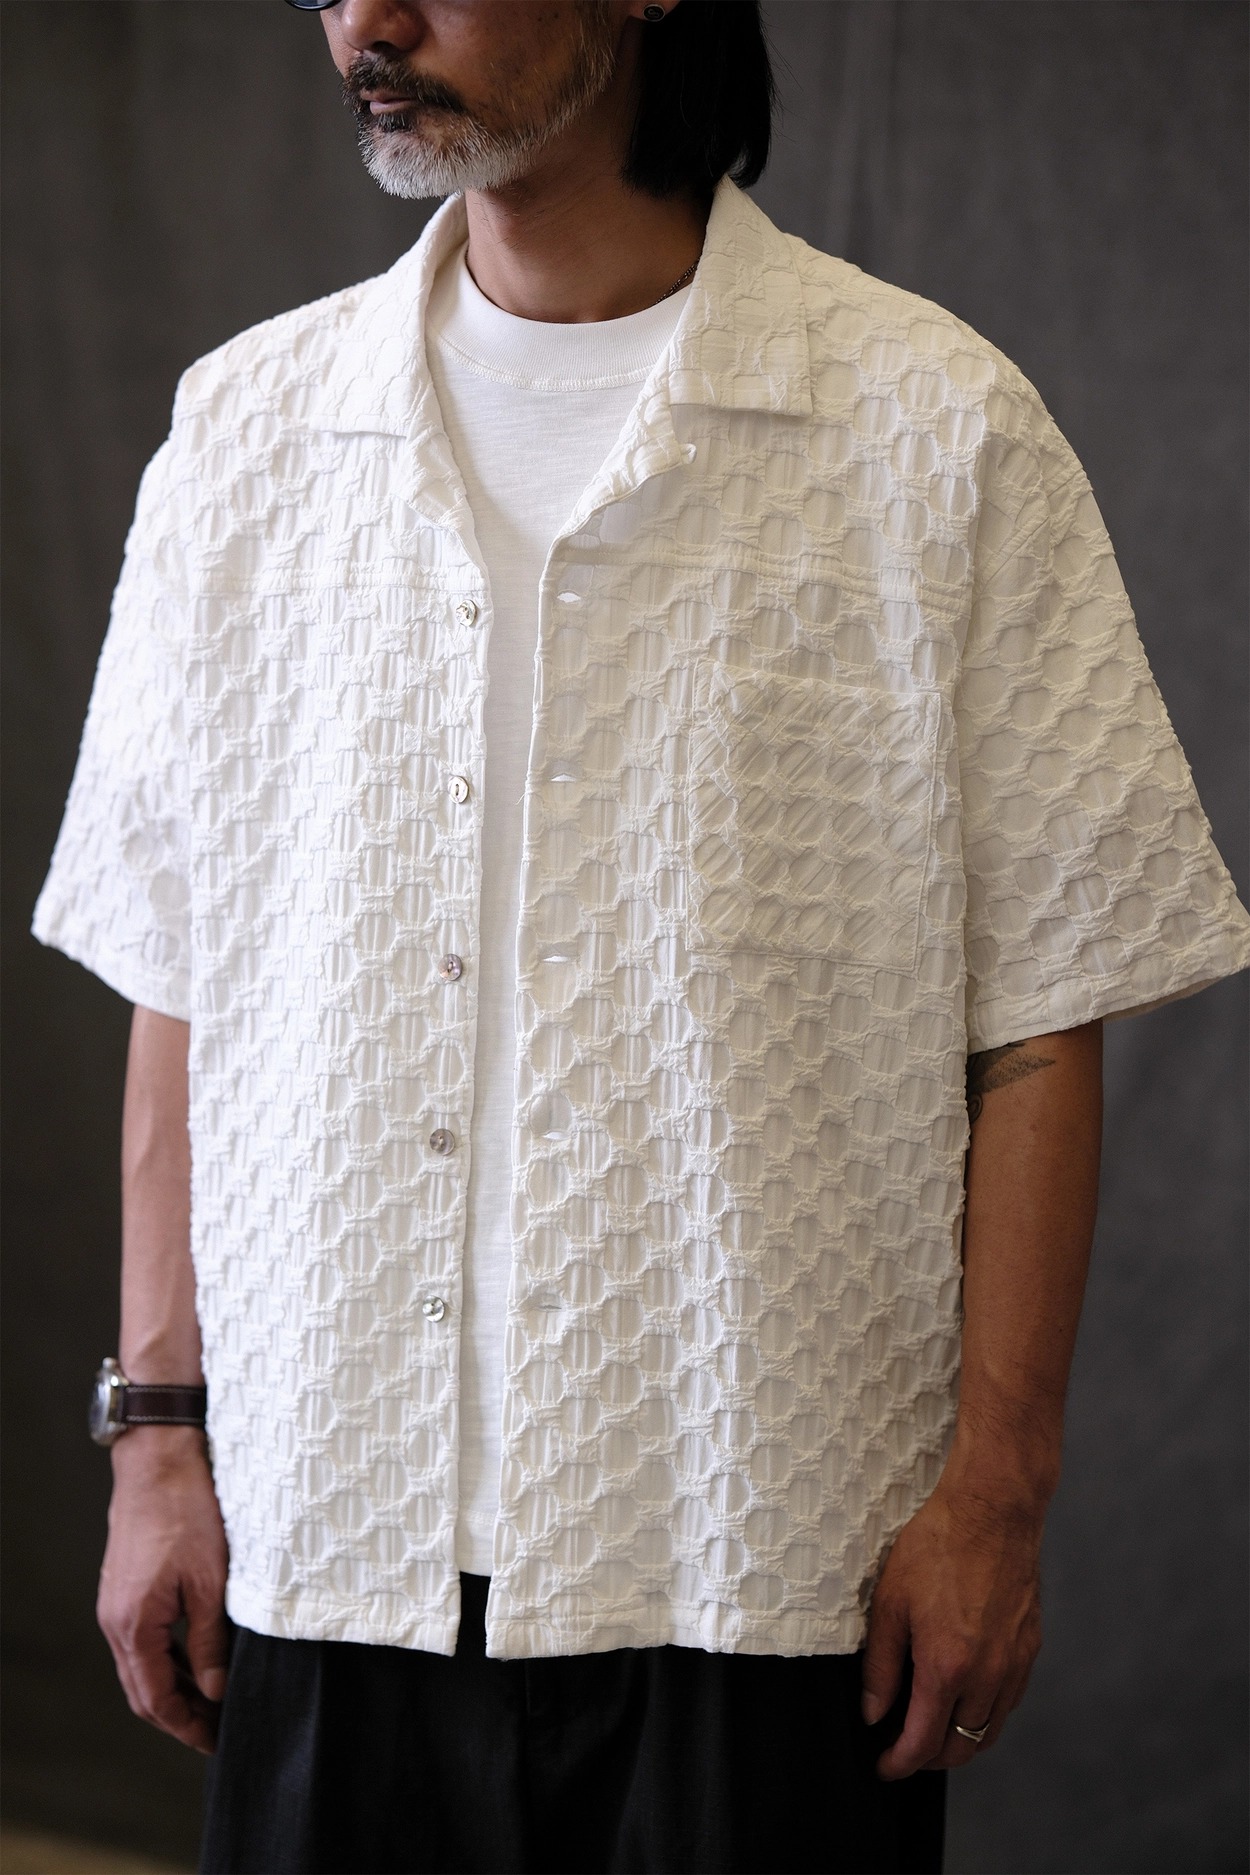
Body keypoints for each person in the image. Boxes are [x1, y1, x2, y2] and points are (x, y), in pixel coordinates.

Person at [32, 2, 1250, 1871]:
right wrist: (159, 1442)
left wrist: (995, 1495)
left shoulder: (933, 427)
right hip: (329, 1525)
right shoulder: (248, 430)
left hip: (764, 1551)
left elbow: (1037, 1015)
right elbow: (177, 968)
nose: (367, 17)